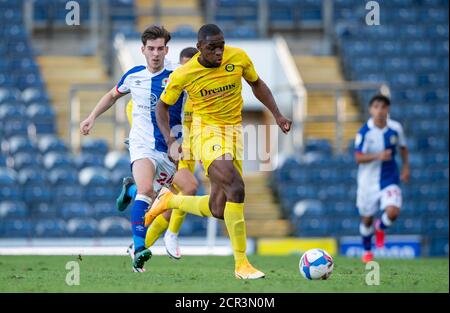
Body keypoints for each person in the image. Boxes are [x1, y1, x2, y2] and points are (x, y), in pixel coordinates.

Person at [145, 24, 292, 279]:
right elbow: (162, 108)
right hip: (206, 133)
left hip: (235, 132)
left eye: (221, 45)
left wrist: (277, 115)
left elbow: (257, 84)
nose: (219, 52)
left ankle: (170, 200)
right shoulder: (185, 73)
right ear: (200, 47)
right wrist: (170, 140)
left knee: (218, 208)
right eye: (212, 47)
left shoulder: (239, 57)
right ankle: (241, 264)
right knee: (236, 187)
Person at [80, 25, 185, 272]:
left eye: (160, 48)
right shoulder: (134, 75)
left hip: (169, 150)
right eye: (151, 49)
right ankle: (139, 248)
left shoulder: (178, 75)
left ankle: (131, 189)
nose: (156, 53)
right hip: (142, 144)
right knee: (148, 191)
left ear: (166, 49)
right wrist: (91, 117)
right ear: (143, 50)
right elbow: (112, 95)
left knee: (165, 197)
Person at [116, 47, 200, 260]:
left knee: (181, 193)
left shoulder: (199, 89)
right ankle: (151, 241)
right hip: (161, 149)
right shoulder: (170, 84)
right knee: (165, 195)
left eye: (194, 66)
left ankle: (166, 234)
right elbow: (136, 109)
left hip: (185, 150)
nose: (189, 70)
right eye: (186, 66)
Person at [354, 94, 410, 263]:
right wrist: (378, 155)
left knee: (392, 212)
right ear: (371, 109)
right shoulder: (364, 132)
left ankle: (381, 227)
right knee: (366, 219)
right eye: (376, 107)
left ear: (388, 109)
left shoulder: (396, 128)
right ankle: (367, 251)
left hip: (389, 178)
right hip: (367, 182)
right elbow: (358, 158)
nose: (380, 110)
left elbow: (403, 147)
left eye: (383, 107)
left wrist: (406, 166)